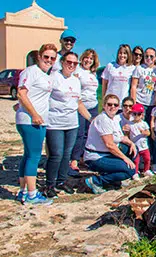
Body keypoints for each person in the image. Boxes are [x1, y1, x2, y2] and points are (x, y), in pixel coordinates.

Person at [43, 52, 92, 198]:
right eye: (69, 62)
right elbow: (42, 96)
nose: (71, 65)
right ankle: (49, 184)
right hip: (55, 123)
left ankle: (62, 181)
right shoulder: (53, 77)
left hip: (71, 123)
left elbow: (78, 103)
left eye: (75, 63)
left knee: (67, 154)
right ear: (62, 62)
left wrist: (91, 119)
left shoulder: (76, 81)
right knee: (56, 154)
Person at [15, 43, 57, 204]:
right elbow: (21, 93)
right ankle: (32, 194)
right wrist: (34, 114)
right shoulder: (31, 71)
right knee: (34, 156)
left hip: (38, 119)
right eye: (46, 56)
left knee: (27, 155)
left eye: (52, 58)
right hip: (31, 120)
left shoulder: (46, 75)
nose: (49, 60)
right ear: (39, 56)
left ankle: (23, 190)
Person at [83, 94, 137, 194]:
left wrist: (131, 143)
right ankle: (96, 181)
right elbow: (109, 145)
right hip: (96, 156)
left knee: (132, 150)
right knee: (130, 170)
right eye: (109, 104)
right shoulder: (103, 119)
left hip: (106, 153)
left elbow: (118, 137)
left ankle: (113, 178)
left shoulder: (113, 119)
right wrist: (125, 159)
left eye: (115, 105)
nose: (112, 107)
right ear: (104, 105)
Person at [69, 49, 100, 176]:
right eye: (87, 58)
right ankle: (74, 160)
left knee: (89, 134)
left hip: (93, 105)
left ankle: (83, 157)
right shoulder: (78, 72)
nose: (88, 60)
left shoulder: (93, 73)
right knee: (79, 134)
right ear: (82, 58)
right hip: (81, 106)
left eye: (91, 59)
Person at [130, 47, 156, 123]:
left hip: (153, 103)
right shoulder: (139, 68)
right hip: (140, 101)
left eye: (151, 56)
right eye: (146, 56)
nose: (148, 58)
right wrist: (134, 103)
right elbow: (133, 86)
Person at [128, 103, 153, 179]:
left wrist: (143, 132)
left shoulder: (144, 123)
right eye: (134, 114)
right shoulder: (130, 124)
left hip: (144, 146)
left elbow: (148, 133)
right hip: (135, 146)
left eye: (138, 114)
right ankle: (135, 172)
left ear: (142, 115)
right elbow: (128, 134)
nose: (136, 116)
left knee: (147, 159)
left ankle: (146, 170)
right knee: (136, 161)